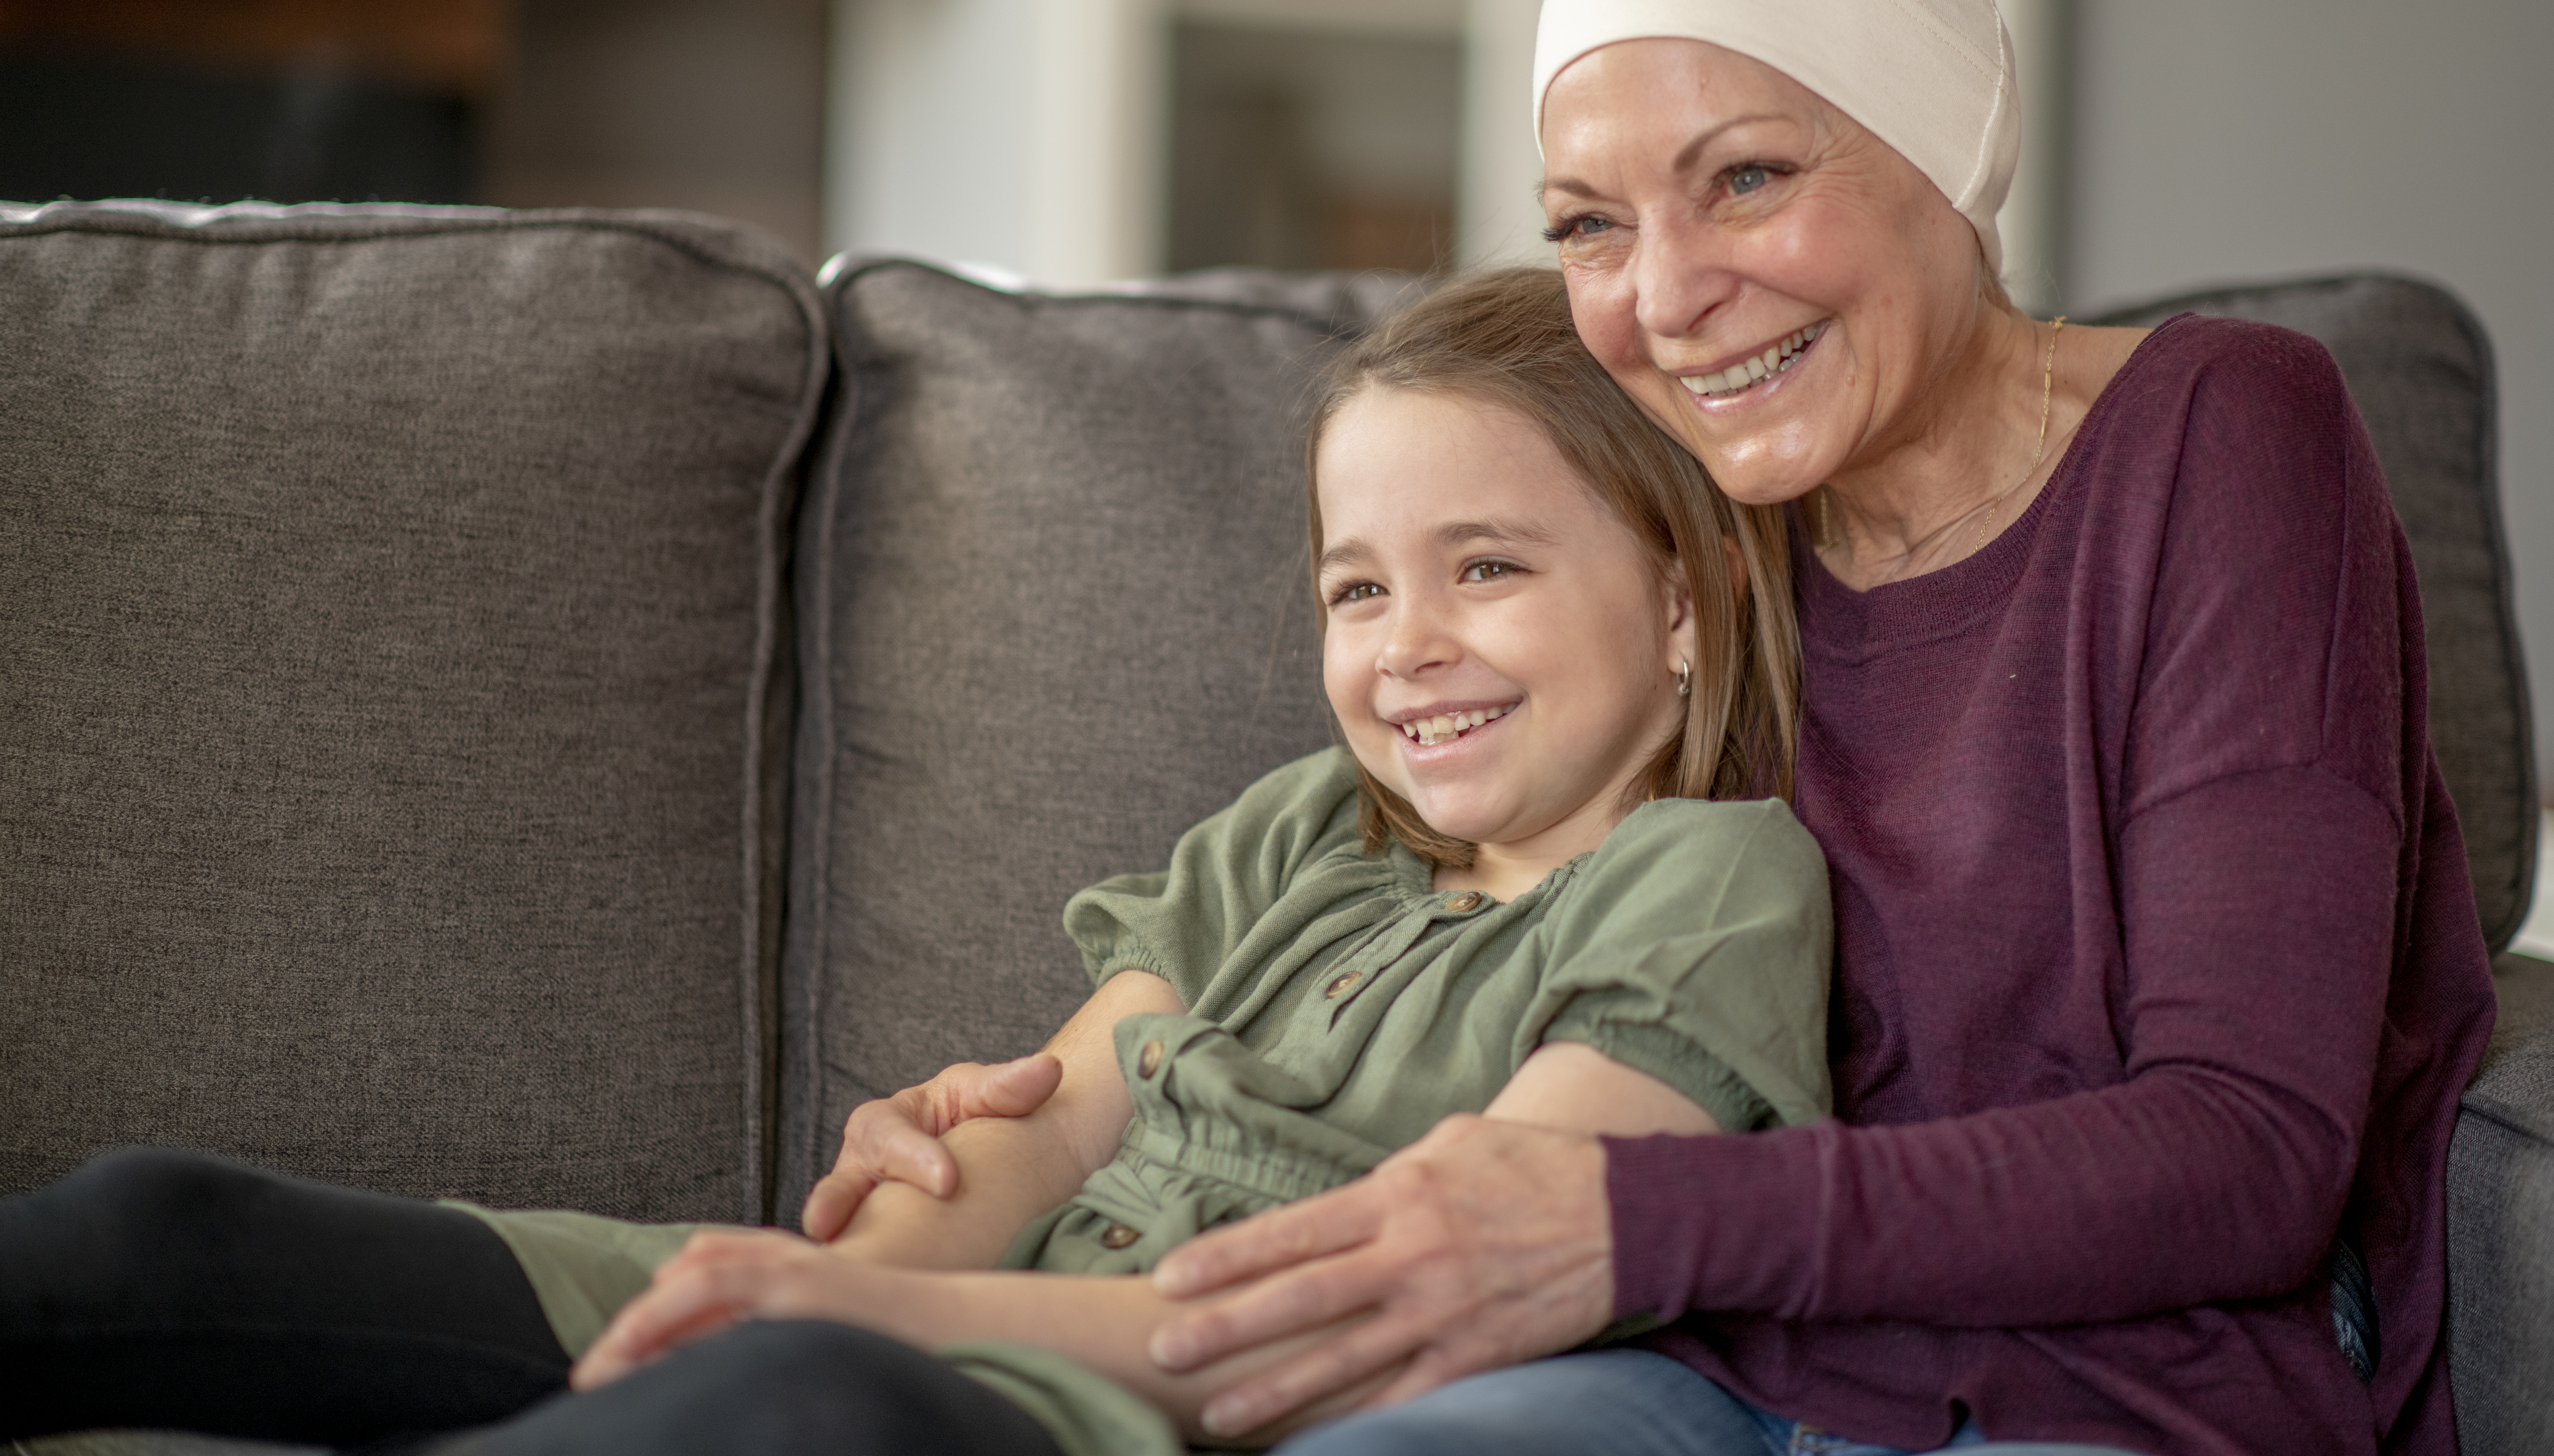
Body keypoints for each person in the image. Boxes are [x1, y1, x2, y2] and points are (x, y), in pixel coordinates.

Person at [837, 0, 2500, 1456]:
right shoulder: (1673, 507)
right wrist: (1041, 1122)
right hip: (1688, 1361)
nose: (1666, 296)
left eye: (1749, 178)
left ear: (1945, 146)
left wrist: (1626, 1218)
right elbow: (1416, 889)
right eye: (1589, 224)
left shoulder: (2222, 436)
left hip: (2106, 1376)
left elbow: (2250, 1151)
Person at [1, 268, 1834, 1456]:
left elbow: (1403, 1302)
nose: (1403, 644)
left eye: (1488, 569)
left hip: (1079, 1412)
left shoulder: (1711, 888)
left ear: (1686, 603)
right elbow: (1046, 1121)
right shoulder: (1307, 835)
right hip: (913, 1321)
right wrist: (845, 1251)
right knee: (162, 1226)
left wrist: (871, 1312)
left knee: (784, 1395)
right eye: (1358, 585)